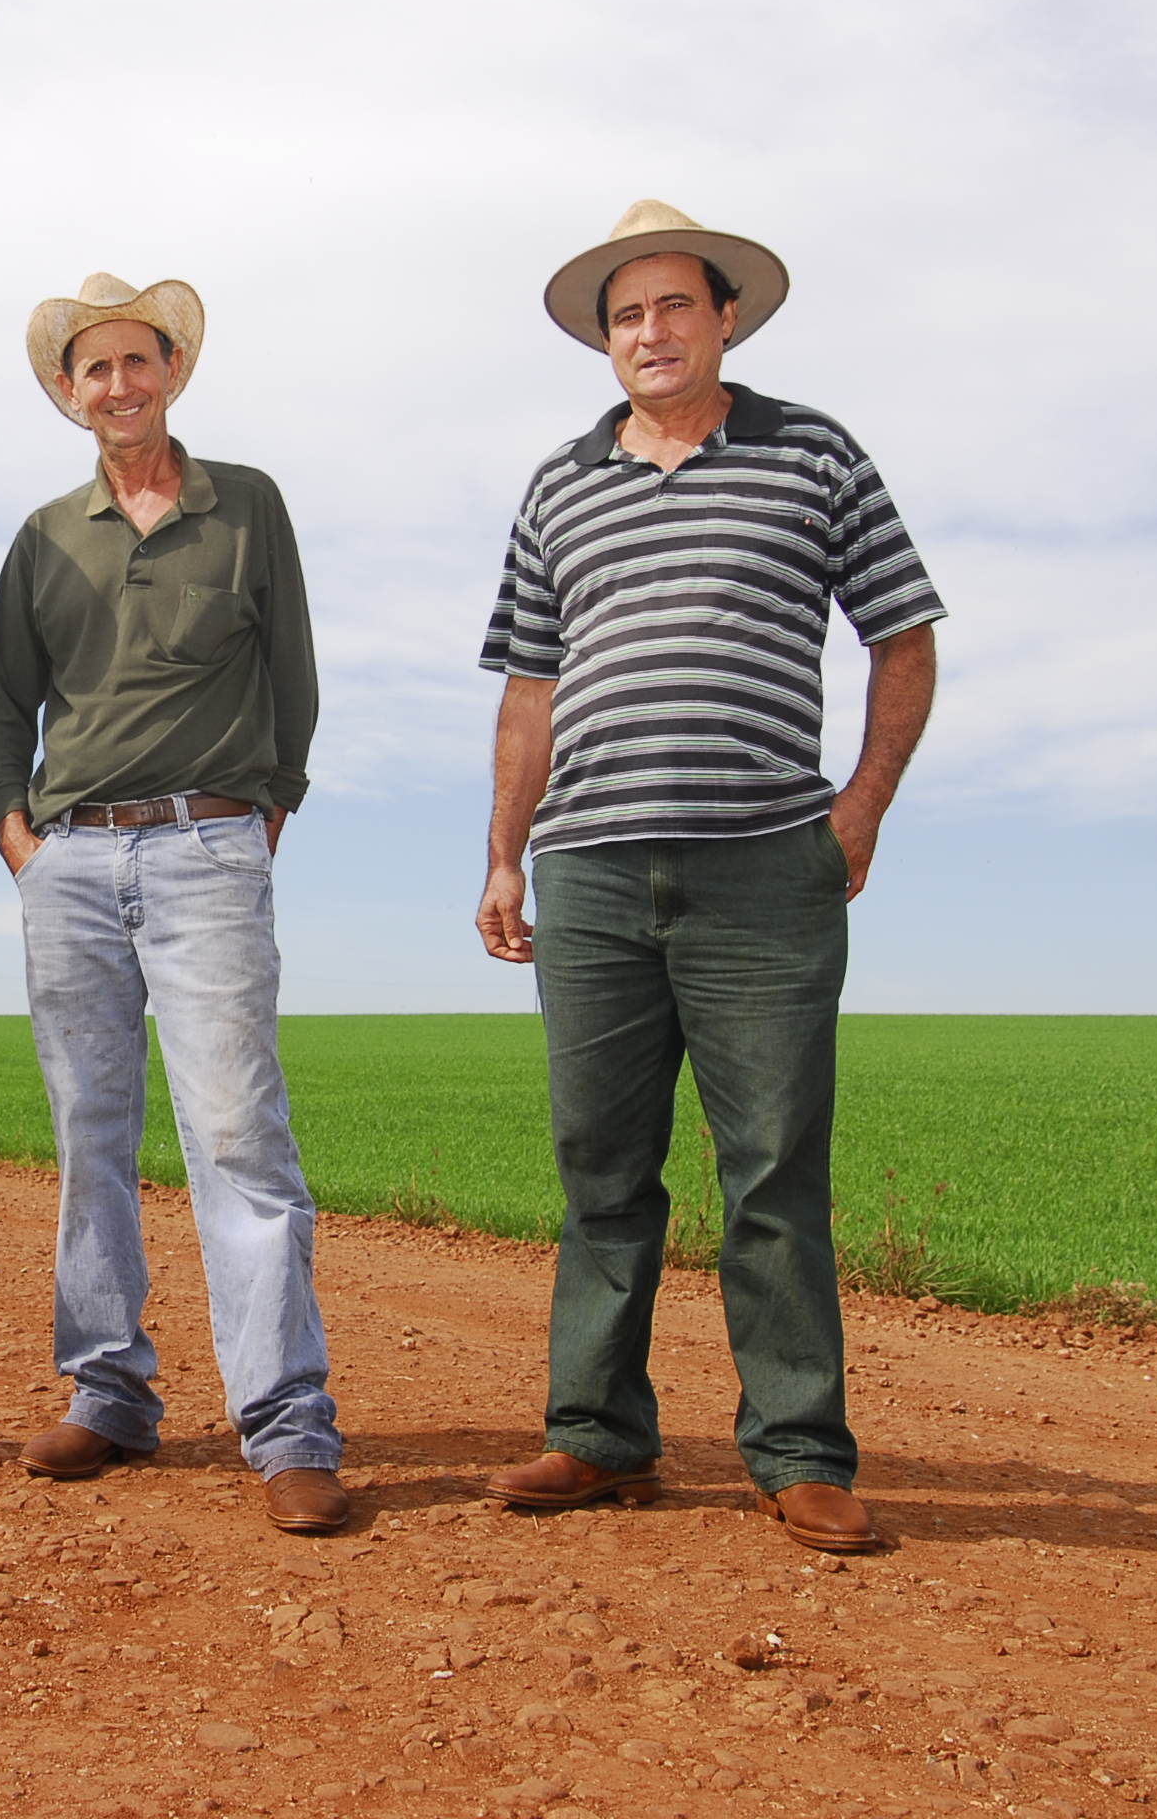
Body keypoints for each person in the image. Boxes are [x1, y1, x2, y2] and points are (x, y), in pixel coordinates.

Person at [473, 201, 944, 1553]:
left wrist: (858, 809)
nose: (652, 333)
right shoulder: (560, 483)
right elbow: (530, 688)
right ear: (604, 341)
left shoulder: (814, 453)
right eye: (628, 315)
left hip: (764, 870)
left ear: (726, 318)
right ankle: (598, 1437)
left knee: (774, 1166)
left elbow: (902, 637)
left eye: (677, 306)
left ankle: (799, 1451)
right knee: (599, 1165)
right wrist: (506, 852)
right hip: (594, 876)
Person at [0, 272, 348, 1535]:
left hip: (207, 850)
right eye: (95, 369)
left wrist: (260, 812)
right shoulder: (43, 536)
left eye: (140, 361)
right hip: (70, 863)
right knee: (90, 1136)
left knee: (239, 1136)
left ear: (173, 371)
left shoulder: (247, 506)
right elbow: (0, 705)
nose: (120, 385)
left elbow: (290, 674)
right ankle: (107, 1394)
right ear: (68, 391)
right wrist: (17, 835)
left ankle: (287, 1424)